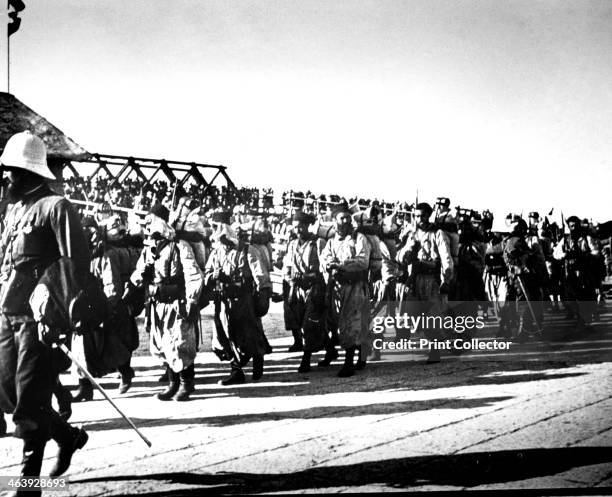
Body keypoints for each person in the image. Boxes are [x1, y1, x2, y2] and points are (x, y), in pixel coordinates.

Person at [0, 131, 89, 487]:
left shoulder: (58, 207)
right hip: (7, 314)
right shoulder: (14, 208)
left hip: (39, 322)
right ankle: (67, 437)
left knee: (29, 407)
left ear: (30, 172)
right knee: (9, 394)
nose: (6, 176)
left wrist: (55, 312)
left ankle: (29, 489)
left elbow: (74, 264)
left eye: (12, 170)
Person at [131, 203, 204, 401]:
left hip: (176, 303)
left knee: (180, 343)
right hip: (157, 303)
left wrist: (191, 300)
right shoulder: (150, 248)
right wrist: (141, 275)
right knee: (163, 344)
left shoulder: (179, 246)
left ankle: (186, 385)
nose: (147, 226)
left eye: (151, 221)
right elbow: (137, 274)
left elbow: (194, 275)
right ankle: (172, 384)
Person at [205, 213, 272, 384]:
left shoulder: (247, 250)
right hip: (224, 300)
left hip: (244, 299)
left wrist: (263, 297)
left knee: (250, 333)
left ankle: (258, 358)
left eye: (216, 227)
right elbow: (206, 275)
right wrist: (213, 276)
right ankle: (236, 371)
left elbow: (261, 276)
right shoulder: (216, 252)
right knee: (226, 335)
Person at [396, 202, 454, 363]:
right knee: (412, 314)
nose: (419, 219)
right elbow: (400, 256)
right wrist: (407, 252)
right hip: (414, 278)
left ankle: (435, 350)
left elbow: (446, 258)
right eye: (416, 216)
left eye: (422, 215)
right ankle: (435, 340)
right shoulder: (413, 233)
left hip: (431, 279)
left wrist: (446, 279)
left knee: (432, 315)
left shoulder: (438, 233)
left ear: (429, 215)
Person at [320, 206, 371, 377]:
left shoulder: (359, 238)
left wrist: (341, 265)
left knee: (352, 321)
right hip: (338, 287)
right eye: (342, 218)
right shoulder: (332, 241)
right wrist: (329, 263)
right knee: (341, 322)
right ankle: (360, 353)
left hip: (355, 286)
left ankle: (349, 362)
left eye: (348, 218)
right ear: (335, 221)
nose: (346, 221)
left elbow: (363, 261)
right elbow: (325, 257)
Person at [282, 211, 328, 372]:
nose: (298, 230)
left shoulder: (318, 243)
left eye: (301, 226)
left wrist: (308, 275)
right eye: (295, 227)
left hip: (315, 288)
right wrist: (290, 279)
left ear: (307, 226)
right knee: (306, 322)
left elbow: (324, 268)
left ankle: (306, 359)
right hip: (298, 289)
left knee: (309, 324)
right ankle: (331, 350)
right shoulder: (293, 244)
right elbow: (286, 266)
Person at [553, 216, 600, 333]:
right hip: (570, 272)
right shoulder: (565, 239)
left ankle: (584, 322)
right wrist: (564, 255)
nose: (573, 228)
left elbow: (596, 252)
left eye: (575, 225)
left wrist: (585, 255)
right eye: (571, 226)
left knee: (585, 297)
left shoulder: (586, 238)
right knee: (571, 298)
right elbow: (556, 253)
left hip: (584, 272)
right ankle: (579, 320)